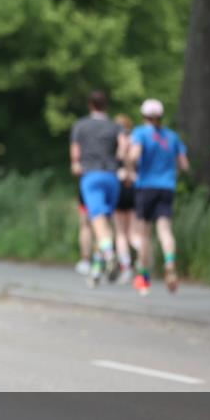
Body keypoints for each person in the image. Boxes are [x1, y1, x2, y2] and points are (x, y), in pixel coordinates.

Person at [128, 99, 189, 296]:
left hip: (146, 186)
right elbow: (184, 164)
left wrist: (130, 167)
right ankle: (170, 262)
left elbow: (135, 155)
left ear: (144, 116)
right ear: (160, 117)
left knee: (145, 233)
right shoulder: (172, 137)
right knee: (164, 229)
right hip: (167, 187)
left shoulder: (140, 133)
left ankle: (143, 277)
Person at [70, 90, 129, 286]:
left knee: (96, 221)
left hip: (91, 176)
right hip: (111, 177)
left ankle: (110, 254)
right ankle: (96, 270)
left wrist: (76, 164)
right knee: (105, 224)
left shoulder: (81, 126)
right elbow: (123, 148)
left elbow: (75, 153)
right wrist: (121, 163)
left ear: (90, 105)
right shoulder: (115, 126)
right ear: (106, 106)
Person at [113, 114, 139, 283]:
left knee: (120, 232)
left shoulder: (115, 141)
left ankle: (126, 266)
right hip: (137, 185)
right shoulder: (137, 140)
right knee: (134, 232)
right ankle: (144, 262)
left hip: (120, 184)